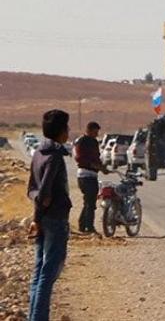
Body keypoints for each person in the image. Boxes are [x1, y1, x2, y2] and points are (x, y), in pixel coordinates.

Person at [27, 109, 72, 321]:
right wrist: (37, 218)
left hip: (43, 218)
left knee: (39, 272)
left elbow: (32, 190)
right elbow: (44, 194)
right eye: (67, 128)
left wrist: (37, 219)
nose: (69, 132)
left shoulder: (37, 153)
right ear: (61, 131)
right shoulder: (54, 157)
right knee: (49, 272)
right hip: (54, 219)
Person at [73, 121, 107, 234]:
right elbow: (79, 158)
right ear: (89, 130)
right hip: (84, 175)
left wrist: (102, 167)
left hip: (92, 175)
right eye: (95, 132)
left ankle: (82, 225)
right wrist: (93, 165)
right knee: (90, 203)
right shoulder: (82, 141)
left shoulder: (94, 142)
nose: (96, 134)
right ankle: (89, 227)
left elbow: (96, 158)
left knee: (89, 202)